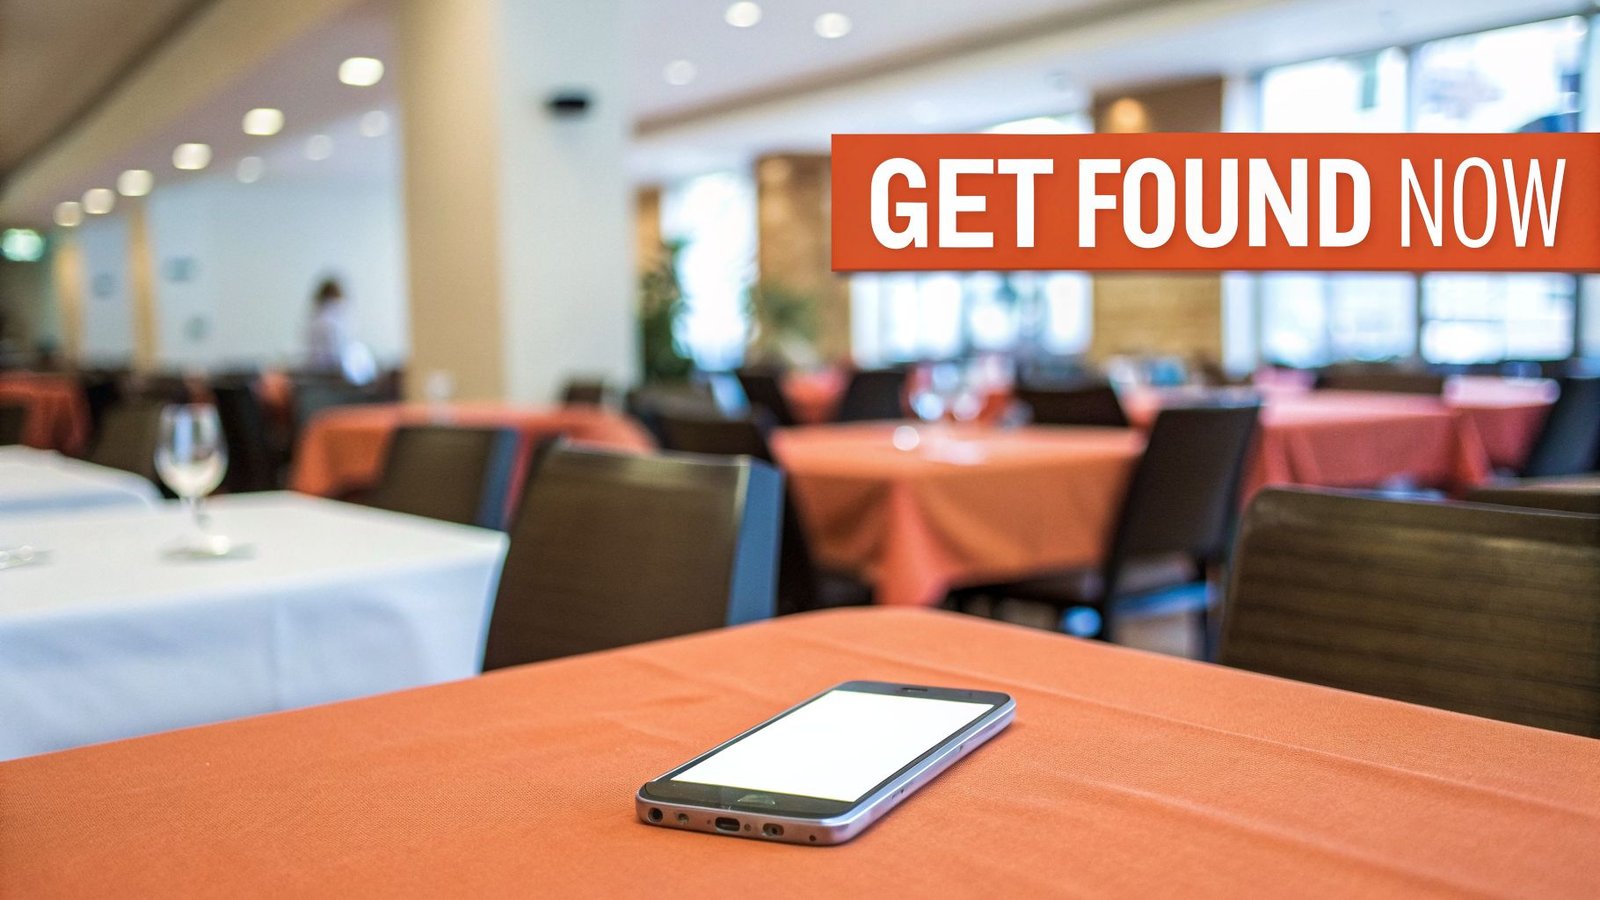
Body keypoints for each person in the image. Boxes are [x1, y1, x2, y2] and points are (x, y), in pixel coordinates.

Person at [304, 277, 351, 373]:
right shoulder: (332, 320)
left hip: (315, 370)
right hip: (331, 372)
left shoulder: (314, 319)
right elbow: (336, 351)